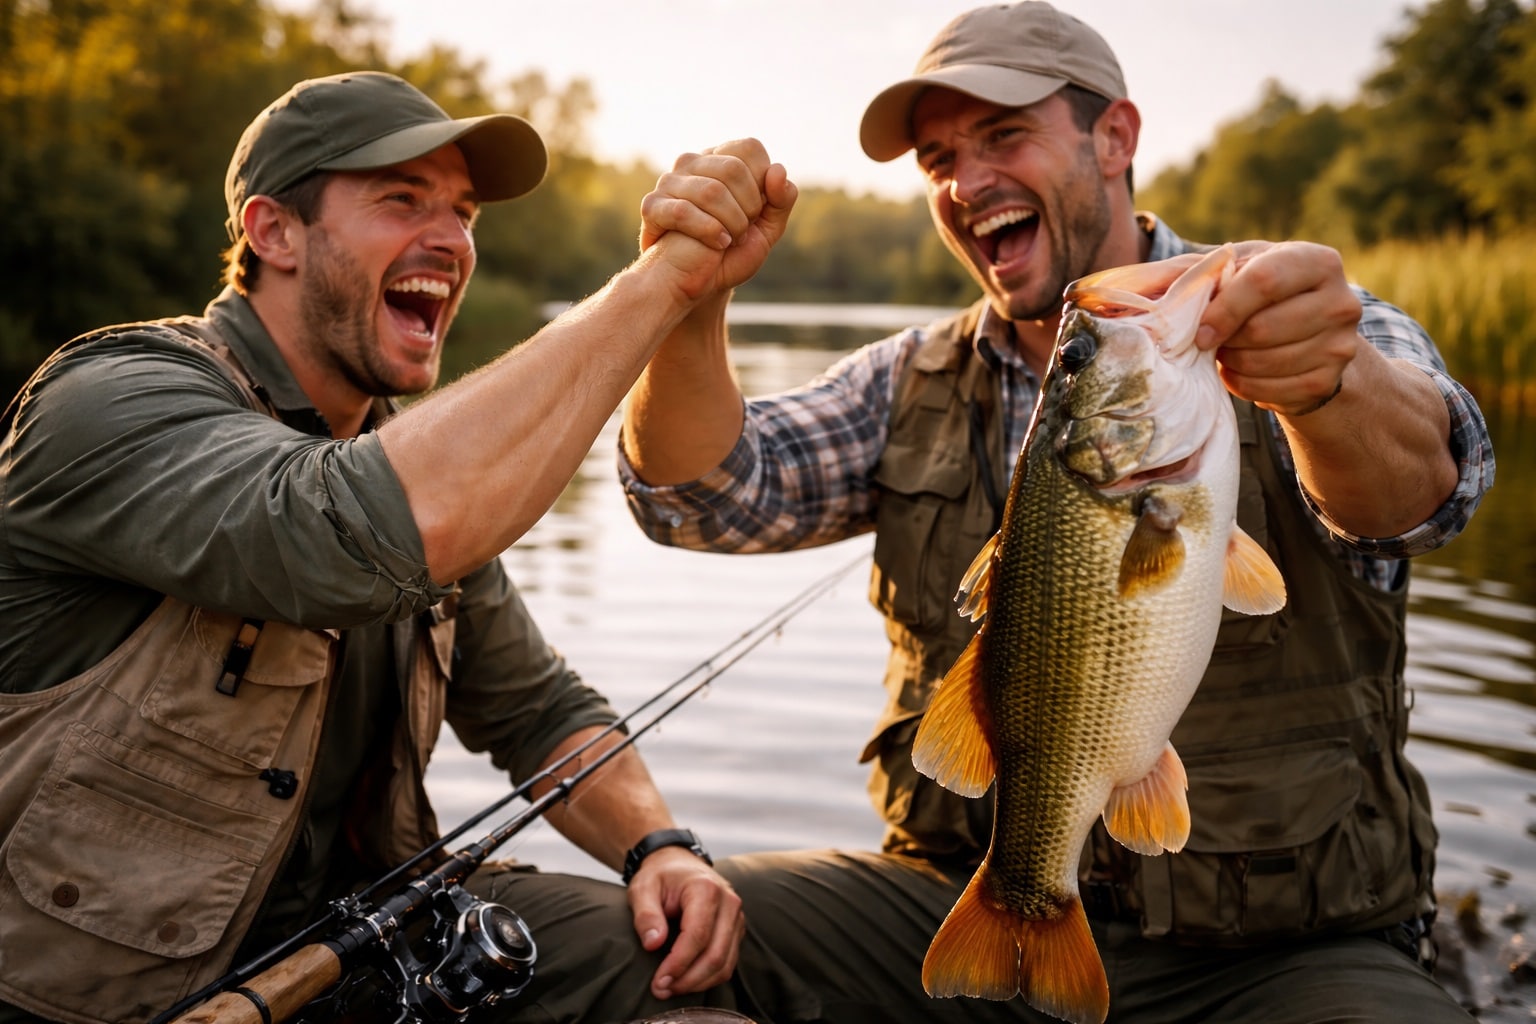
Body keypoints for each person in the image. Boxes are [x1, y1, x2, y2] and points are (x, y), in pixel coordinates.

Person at [618, 4, 1495, 1022]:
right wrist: (684, 302)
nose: (965, 181)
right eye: (939, 158)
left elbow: (1427, 499)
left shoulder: (1307, 318)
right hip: (952, 895)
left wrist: (1329, 385)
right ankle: (1025, 908)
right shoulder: (904, 379)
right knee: (637, 948)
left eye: (1003, 135)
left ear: (1114, 138)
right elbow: (693, 501)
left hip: (1285, 954)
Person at [0, 70, 790, 1024]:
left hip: (348, 958)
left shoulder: (408, 456)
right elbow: (344, 529)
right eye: (402, 200)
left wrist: (658, 847)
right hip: (105, 999)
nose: (452, 239)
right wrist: (665, 282)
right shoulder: (108, 399)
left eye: (463, 212)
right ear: (273, 232)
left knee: (678, 967)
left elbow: (538, 710)